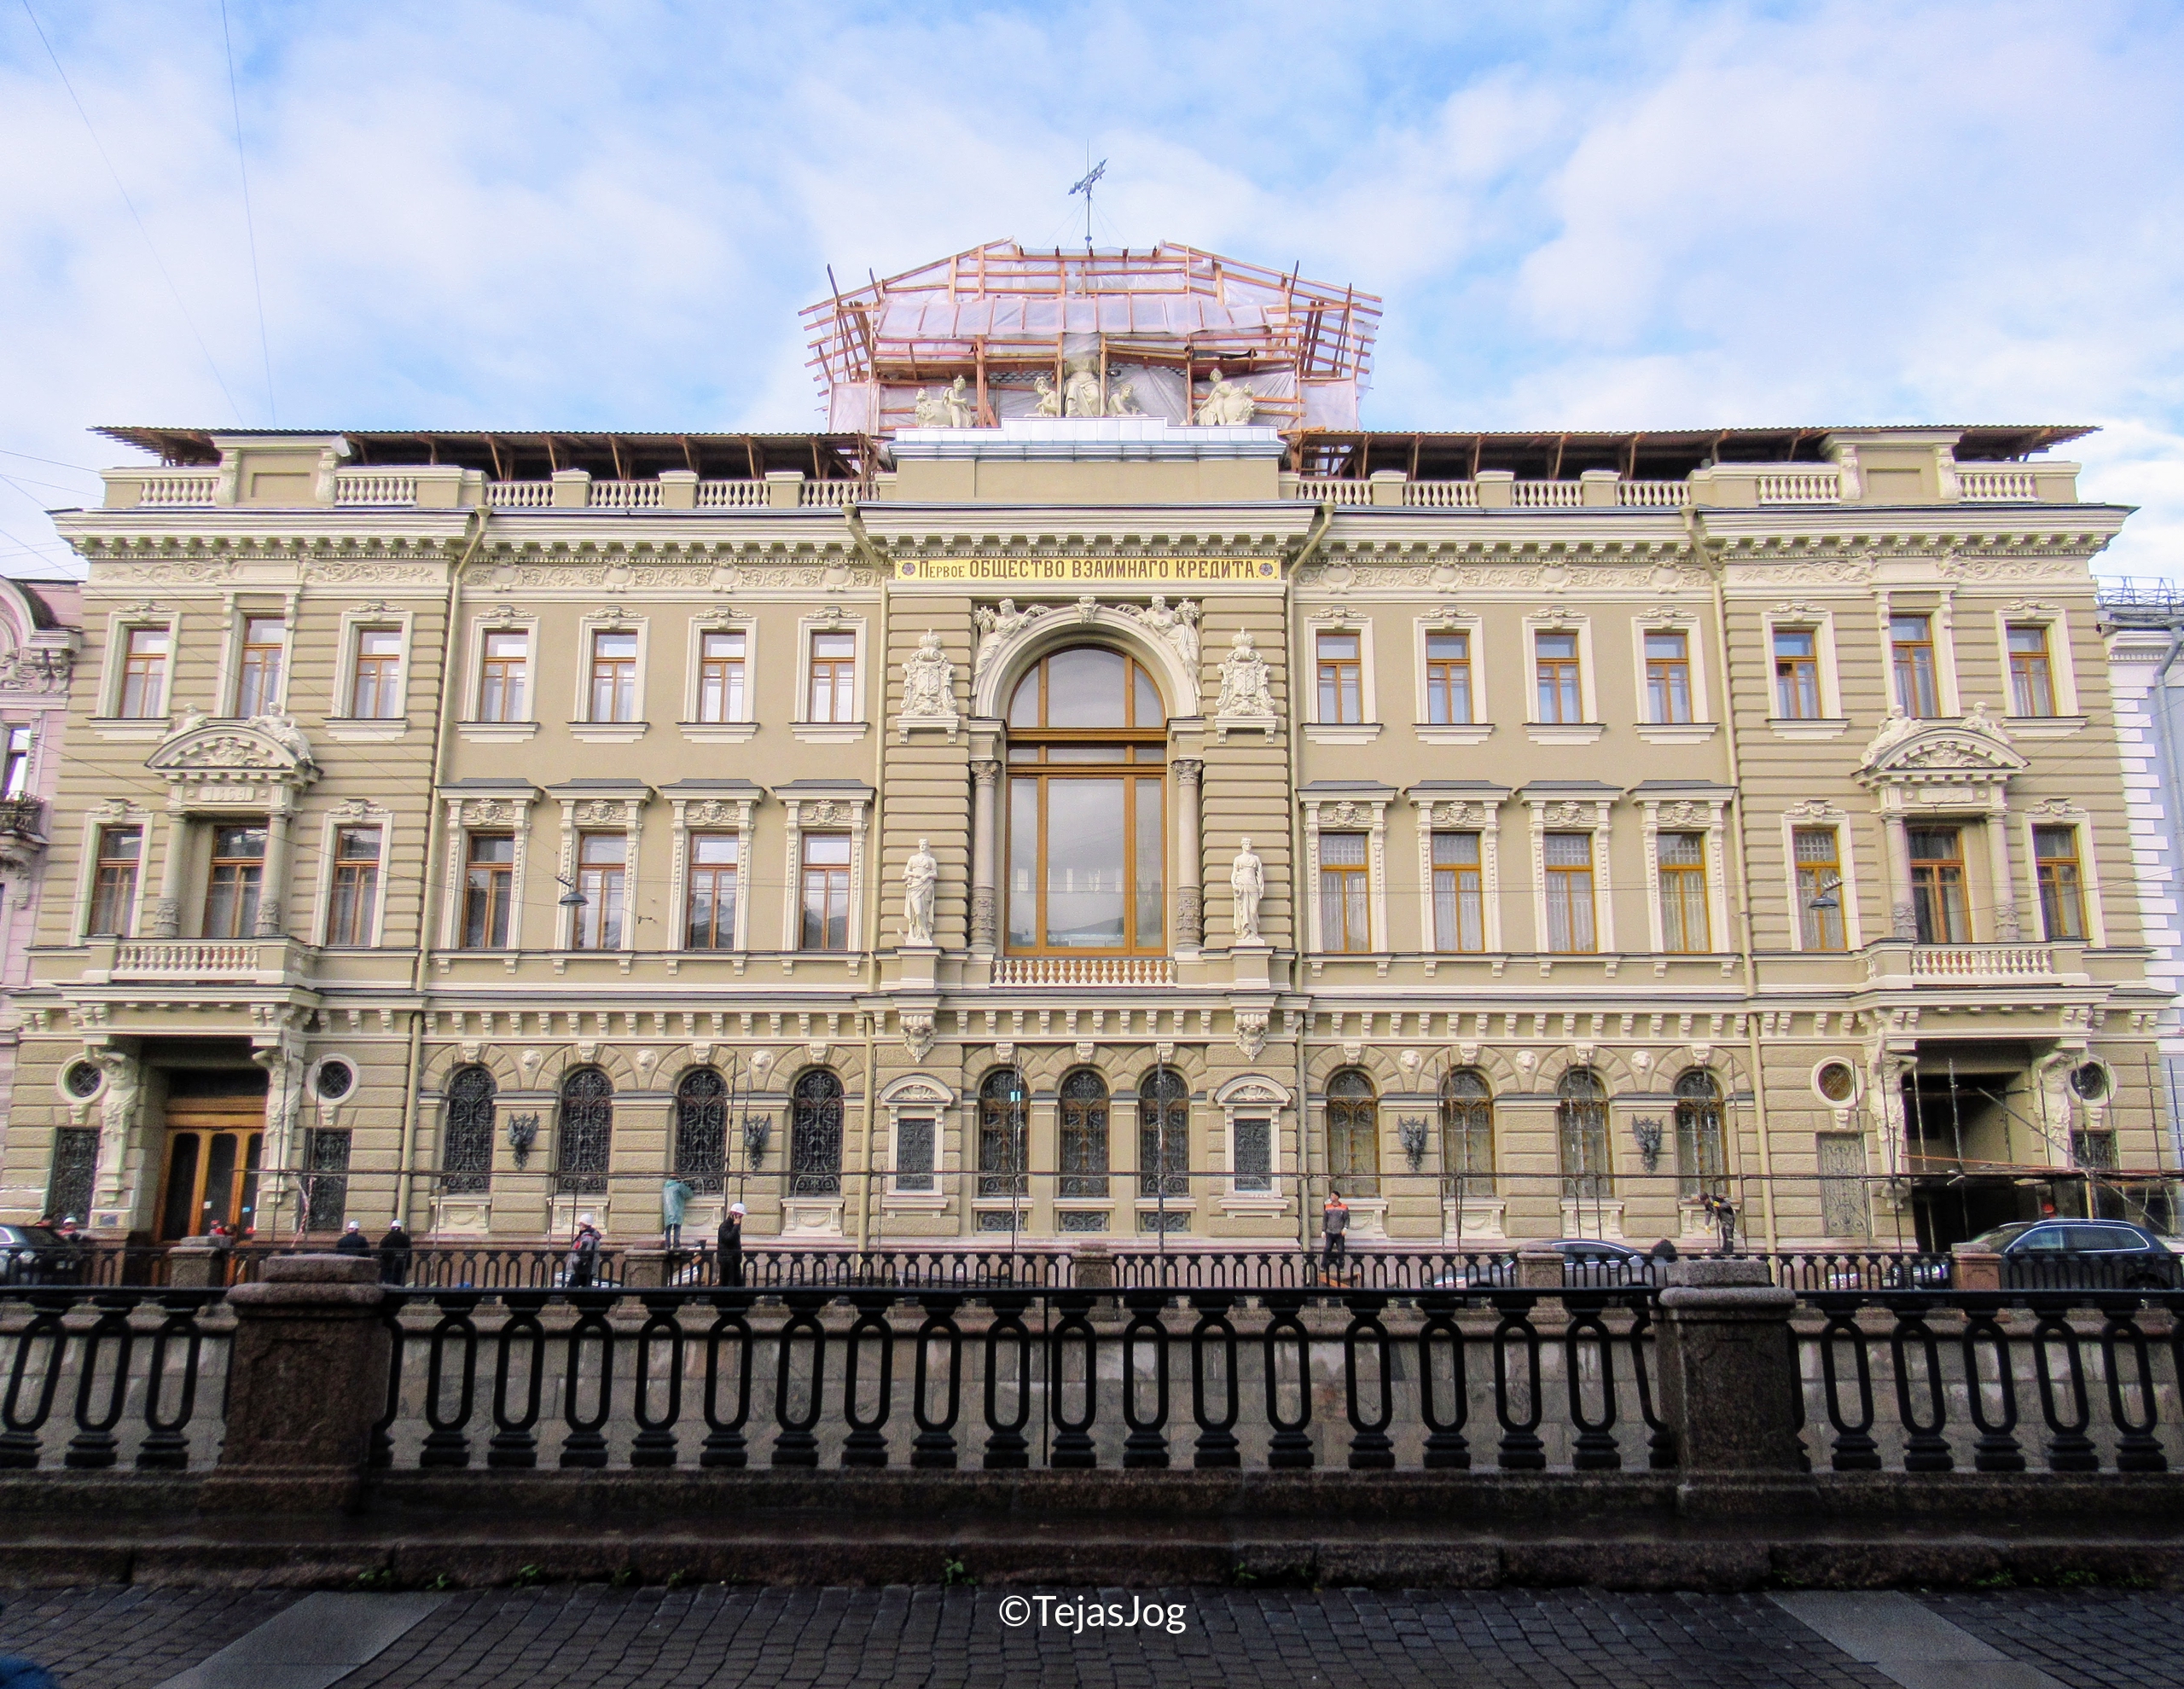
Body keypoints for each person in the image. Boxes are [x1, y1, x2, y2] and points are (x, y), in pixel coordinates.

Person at [566, 1213, 602, 1288]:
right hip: (585, 1268)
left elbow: (583, 1252)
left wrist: (575, 1263)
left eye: (580, 1224)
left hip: (581, 1268)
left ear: (583, 1224)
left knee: (571, 1289)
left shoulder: (587, 1237)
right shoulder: (591, 1236)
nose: (579, 1226)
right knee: (584, 1289)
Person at [717, 1201, 746, 1289]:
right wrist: (736, 1226)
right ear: (735, 1215)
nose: (741, 1219)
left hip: (734, 1259)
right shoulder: (725, 1226)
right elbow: (729, 1239)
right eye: (740, 1216)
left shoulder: (732, 1226)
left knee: (738, 1283)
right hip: (727, 1260)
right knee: (727, 1284)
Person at [661, 1178, 694, 1250]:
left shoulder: (665, 1188)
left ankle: (667, 1245)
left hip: (667, 1212)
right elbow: (688, 1194)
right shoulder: (678, 1186)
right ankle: (676, 1244)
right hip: (676, 1210)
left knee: (668, 1228)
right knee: (677, 1227)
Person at [1321, 1193, 1350, 1277]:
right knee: (1327, 1249)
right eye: (1331, 1195)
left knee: (1341, 1250)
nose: (1331, 1197)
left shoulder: (1344, 1207)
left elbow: (1347, 1219)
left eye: (1333, 1195)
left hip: (1339, 1233)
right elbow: (1325, 1220)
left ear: (1337, 1197)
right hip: (1330, 1232)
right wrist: (1323, 1230)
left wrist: (1345, 1228)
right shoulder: (1327, 1207)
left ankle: (1341, 1266)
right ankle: (1323, 1265)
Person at [378, 1219, 413, 1286]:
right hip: (401, 1265)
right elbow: (409, 1253)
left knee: (389, 1284)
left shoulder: (387, 1238)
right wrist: (408, 1265)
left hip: (388, 1266)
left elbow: (381, 1252)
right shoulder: (405, 1238)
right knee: (399, 1283)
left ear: (391, 1227)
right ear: (400, 1228)